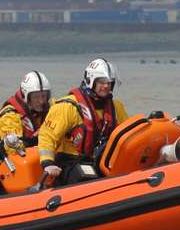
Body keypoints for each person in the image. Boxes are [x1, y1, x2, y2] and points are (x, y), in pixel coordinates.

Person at [37, 58, 128, 186]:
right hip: (71, 162)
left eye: (109, 82)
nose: (106, 86)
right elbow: (47, 135)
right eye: (101, 82)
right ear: (91, 81)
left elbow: (127, 133)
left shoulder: (116, 107)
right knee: (87, 180)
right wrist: (47, 163)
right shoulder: (68, 106)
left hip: (102, 161)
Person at [0, 70, 52, 152]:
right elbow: (12, 148)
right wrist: (37, 137)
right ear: (26, 96)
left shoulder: (51, 107)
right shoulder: (9, 115)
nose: (41, 101)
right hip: (20, 160)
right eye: (36, 97)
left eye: (44, 96)